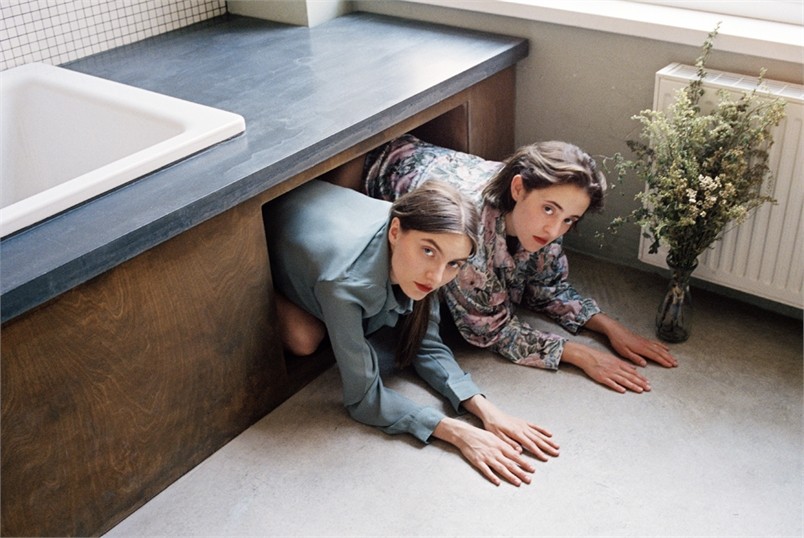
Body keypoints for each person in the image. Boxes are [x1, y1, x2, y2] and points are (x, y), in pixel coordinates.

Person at [265, 179, 559, 486]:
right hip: (268, 226)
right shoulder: (344, 284)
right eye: (428, 251)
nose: (436, 276)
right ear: (395, 231)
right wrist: (457, 432)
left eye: (454, 263)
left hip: (324, 210)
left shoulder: (423, 256)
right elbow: (364, 398)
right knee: (305, 339)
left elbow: (426, 345)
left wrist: (485, 409)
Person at [363, 134, 678, 394]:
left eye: (569, 219)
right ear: (518, 188)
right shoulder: (466, 236)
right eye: (549, 209)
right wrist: (581, 354)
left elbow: (547, 287)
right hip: (372, 159)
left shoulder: (545, 222)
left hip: (419, 149)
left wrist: (609, 327)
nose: (554, 230)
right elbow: (490, 328)